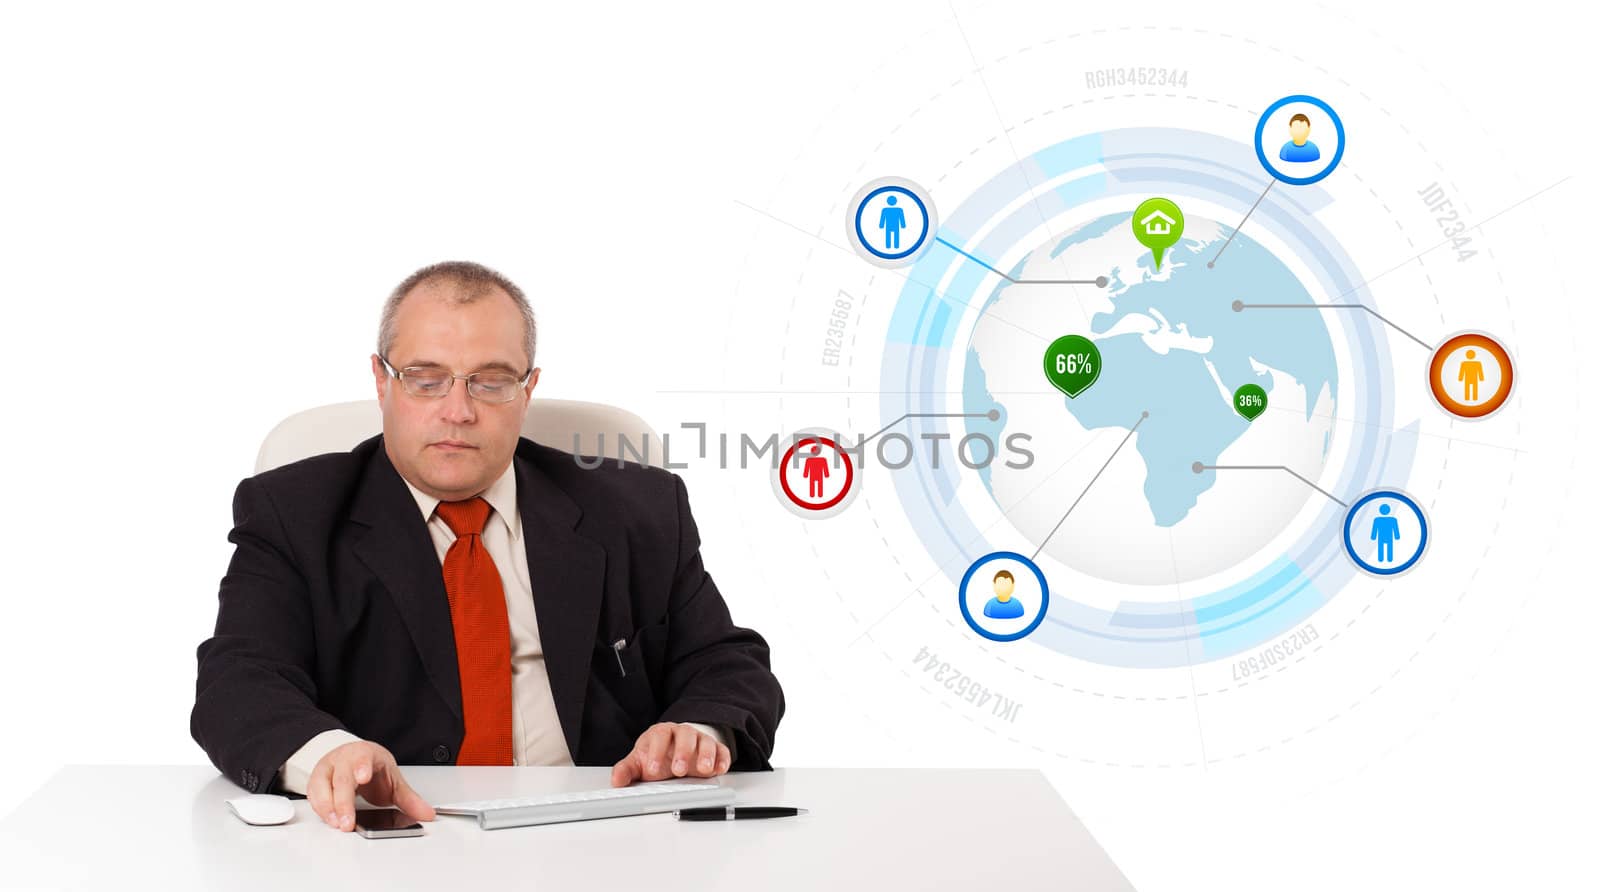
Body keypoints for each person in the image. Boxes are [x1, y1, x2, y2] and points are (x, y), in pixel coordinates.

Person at [191, 261, 784, 833]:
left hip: (604, 835)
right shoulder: (294, 512)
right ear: (381, 381)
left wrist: (699, 729)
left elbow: (727, 664)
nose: (458, 411)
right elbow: (238, 681)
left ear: (528, 389)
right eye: (426, 380)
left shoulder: (638, 509)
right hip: (394, 837)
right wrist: (330, 756)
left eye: (491, 381)